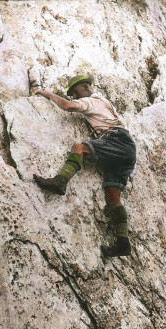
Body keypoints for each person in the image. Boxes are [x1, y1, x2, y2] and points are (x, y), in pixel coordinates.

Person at [33, 75, 136, 257]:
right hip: (126, 150)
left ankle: (60, 181)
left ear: (85, 87)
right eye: (72, 94)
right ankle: (123, 243)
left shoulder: (91, 101)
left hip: (116, 140)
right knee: (113, 196)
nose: (74, 96)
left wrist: (47, 93)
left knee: (79, 147)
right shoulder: (104, 102)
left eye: (75, 91)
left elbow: (68, 106)